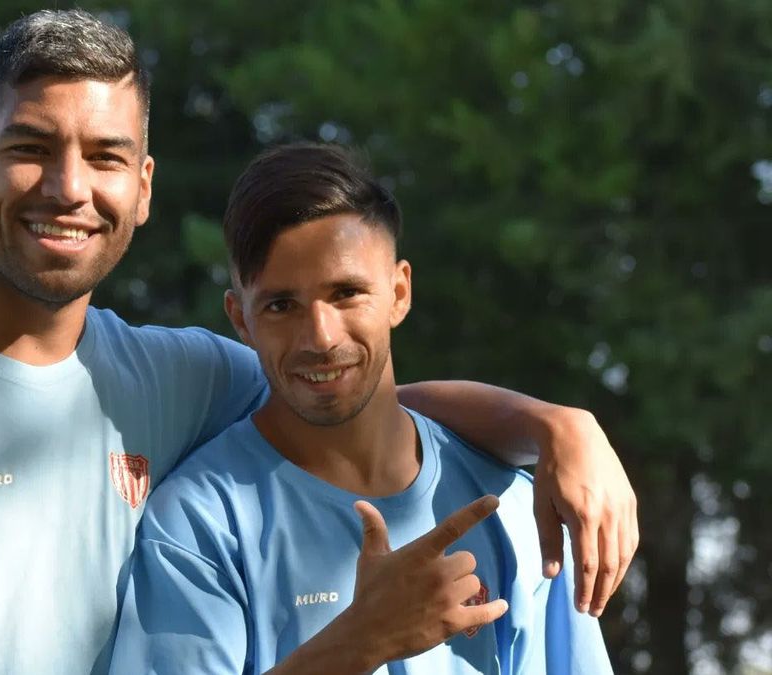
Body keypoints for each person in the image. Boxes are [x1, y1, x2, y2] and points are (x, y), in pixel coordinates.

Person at [0, 10, 633, 674]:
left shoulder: (180, 373)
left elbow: (349, 390)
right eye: (30, 148)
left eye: (104, 157)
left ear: (144, 189)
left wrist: (557, 428)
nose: (70, 187)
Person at [109, 143, 614, 674]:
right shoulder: (199, 523)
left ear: (399, 292)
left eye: (347, 293)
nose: (321, 337)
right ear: (240, 319)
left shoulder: (514, 506)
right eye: (281, 305)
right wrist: (362, 641)